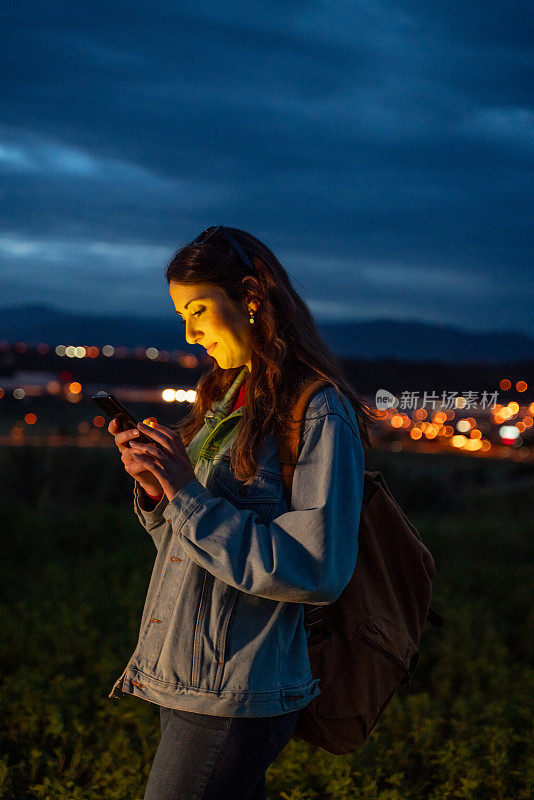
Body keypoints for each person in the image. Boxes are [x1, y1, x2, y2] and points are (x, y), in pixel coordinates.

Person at [108, 225, 376, 800]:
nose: (190, 331)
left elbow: (317, 569)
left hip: (237, 690)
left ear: (252, 297)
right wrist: (160, 492)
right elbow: (192, 550)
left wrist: (189, 497)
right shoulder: (225, 399)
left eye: (199, 308)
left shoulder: (316, 411)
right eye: (182, 314)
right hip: (185, 677)